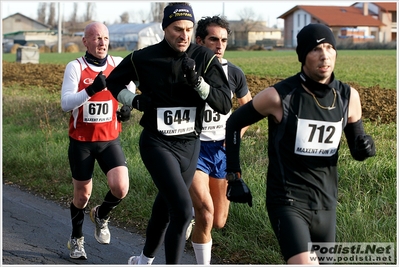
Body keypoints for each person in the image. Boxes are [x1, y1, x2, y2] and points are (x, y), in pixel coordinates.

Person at [224, 23, 376, 264]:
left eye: (329, 47)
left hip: (326, 203)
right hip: (288, 201)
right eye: (316, 49)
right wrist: (234, 175)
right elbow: (234, 122)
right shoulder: (280, 96)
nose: (324, 55)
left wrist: (367, 147)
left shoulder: (348, 97)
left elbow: (358, 149)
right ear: (303, 56)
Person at [105, 3, 232, 265]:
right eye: (177, 29)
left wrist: (199, 83)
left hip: (189, 146)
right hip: (157, 143)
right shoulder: (144, 58)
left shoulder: (204, 58)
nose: (184, 35)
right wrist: (134, 101)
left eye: (188, 29)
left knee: (164, 209)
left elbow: (224, 103)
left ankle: (143, 260)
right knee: (183, 211)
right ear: (165, 29)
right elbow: (113, 81)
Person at [61, 21, 135, 260]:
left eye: (105, 37)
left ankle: (102, 215)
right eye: (96, 38)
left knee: (120, 187)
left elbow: (131, 88)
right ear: (85, 41)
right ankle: (76, 239)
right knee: (82, 196)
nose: (101, 42)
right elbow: (66, 104)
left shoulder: (116, 64)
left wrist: (127, 107)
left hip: (109, 140)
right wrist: (91, 90)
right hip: (82, 141)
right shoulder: (75, 67)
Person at [187, 15, 252, 265]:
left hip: (222, 151)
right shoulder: (188, 69)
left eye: (224, 40)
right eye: (213, 39)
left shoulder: (234, 72)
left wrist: (234, 135)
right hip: (195, 147)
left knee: (219, 221)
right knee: (206, 211)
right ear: (200, 40)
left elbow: (248, 110)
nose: (219, 45)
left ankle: (190, 214)